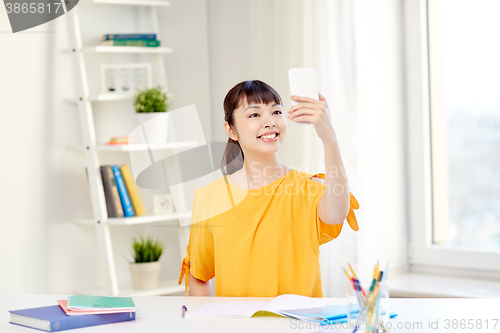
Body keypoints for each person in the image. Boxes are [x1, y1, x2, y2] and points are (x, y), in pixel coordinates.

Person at [178, 79, 359, 297]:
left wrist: (329, 138)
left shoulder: (307, 188)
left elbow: (336, 214)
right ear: (231, 130)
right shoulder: (209, 197)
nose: (270, 122)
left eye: (276, 112)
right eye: (254, 114)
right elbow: (198, 274)